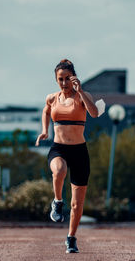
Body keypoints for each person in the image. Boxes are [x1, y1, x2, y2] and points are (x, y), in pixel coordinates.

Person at [36, 59, 98, 253]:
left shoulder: (82, 96)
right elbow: (46, 111)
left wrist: (80, 91)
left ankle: (71, 238)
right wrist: (45, 130)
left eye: (67, 79)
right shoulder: (52, 98)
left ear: (74, 78)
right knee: (59, 170)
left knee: (77, 203)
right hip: (59, 149)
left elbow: (95, 113)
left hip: (79, 151)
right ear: (56, 79)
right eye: (60, 79)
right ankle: (57, 201)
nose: (64, 83)